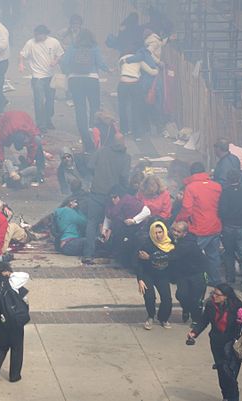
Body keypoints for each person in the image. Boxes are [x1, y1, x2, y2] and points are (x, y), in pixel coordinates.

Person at [187, 284, 242, 401]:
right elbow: (204, 321)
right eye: (213, 293)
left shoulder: (237, 307)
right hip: (216, 343)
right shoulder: (210, 305)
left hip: (232, 344)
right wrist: (194, 332)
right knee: (222, 373)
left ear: (226, 296)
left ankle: (233, 398)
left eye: (218, 295)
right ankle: (226, 396)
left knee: (230, 375)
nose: (214, 296)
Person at [82, 133, 131, 265]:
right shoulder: (126, 157)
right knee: (114, 223)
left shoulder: (101, 151)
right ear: (123, 142)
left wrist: (98, 176)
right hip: (113, 196)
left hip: (96, 191)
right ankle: (113, 253)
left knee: (91, 222)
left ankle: (88, 254)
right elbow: (124, 177)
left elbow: (90, 166)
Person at [60, 29, 110, 153]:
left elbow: (64, 61)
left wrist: (68, 72)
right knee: (94, 105)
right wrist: (108, 69)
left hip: (75, 79)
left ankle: (83, 131)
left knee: (79, 106)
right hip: (92, 79)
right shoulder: (94, 47)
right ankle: (93, 127)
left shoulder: (73, 47)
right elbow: (100, 62)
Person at [175, 162, 223, 285]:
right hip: (215, 226)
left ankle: (187, 278)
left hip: (199, 227)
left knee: (190, 254)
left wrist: (179, 221)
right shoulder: (217, 186)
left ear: (192, 173)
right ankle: (215, 280)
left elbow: (187, 208)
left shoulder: (191, 188)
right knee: (213, 255)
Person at [0, 262, 30, 383]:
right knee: (16, 348)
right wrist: (10, 274)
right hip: (14, 320)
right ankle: (14, 376)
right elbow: (25, 275)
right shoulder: (11, 282)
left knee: (0, 346)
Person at [19, 25, 64, 133]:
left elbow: (60, 54)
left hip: (50, 76)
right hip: (37, 77)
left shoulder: (54, 42)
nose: (37, 37)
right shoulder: (30, 43)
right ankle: (41, 125)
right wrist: (21, 64)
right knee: (39, 101)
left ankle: (48, 119)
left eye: (39, 34)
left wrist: (55, 61)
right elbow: (22, 54)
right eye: (36, 34)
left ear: (45, 34)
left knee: (50, 101)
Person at [218, 169, 242, 291]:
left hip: (229, 227)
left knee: (229, 254)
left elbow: (221, 211)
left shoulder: (225, 193)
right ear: (240, 179)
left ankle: (230, 279)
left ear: (228, 180)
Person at [0, 111, 44, 185]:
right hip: (8, 118)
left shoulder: (31, 134)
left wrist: (29, 162)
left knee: (38, 141)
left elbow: (33, 147)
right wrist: (1, 160)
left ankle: (41, 168)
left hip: (25, 118)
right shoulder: (5, 132)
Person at [137, 221, 174, 330]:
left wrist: (150, 258)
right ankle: (150, 316)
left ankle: (163, 318)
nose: (158, 235)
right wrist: (140, 279)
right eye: (155, 232)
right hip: (148, 274)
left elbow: (172, 258)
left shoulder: (171, 245)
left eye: (160, 232)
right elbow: (139, 263)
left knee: (167, 298)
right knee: (149, 296)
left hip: (163, 275)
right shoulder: (146, 245)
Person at [169, 221, 207, 325]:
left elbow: (174, 255)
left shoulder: (188, 243)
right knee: (181, 295)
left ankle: (196, 319)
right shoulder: (173, 239)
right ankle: (186, 308)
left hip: (196, 273)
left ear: (184, 233)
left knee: (196, 298)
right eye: (174, 230)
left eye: (178, 231)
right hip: (182, 273)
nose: (175, 233)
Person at [117, 47, 159, 137]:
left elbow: (119, 72)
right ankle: (136, 133)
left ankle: (124, 130)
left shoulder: (121, 60)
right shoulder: (139, 60)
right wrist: (158, 69)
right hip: (134, 84)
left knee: (122, 108)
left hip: (123, 84)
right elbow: (152, 72)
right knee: (135, 108)